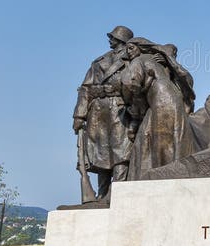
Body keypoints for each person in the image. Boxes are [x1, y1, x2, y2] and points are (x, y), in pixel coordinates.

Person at [73, 25, 135, 201]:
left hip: (120, 109)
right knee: (101, 154)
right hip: (98, 111)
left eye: (113, 37)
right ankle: (102, 193)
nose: (110, 39)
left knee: (120, 152)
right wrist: (79, 115)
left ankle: (118, 192)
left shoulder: (132, 60)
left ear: (121, 40)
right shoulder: (99, 61)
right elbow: (85, 89)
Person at [120, 38, 196, 178]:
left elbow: (130, 84)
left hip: (161, 100)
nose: (128, 52)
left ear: (141, 47)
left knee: (157, 139)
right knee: (171, 136)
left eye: (131, 48)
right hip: (172, 99)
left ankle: (160, 173)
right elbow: (188, 81)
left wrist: (134, 106)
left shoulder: (139, 60)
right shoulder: (159, 62)